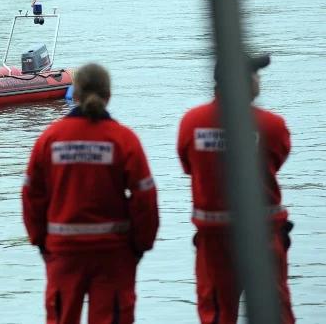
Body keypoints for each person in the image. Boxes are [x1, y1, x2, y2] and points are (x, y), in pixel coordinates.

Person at [22, 63, 159, 324]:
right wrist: (141, 245)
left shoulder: (50, 138)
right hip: (113, 253)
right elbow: (145, 199)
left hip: (64, 251)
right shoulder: (124, 139)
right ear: (108, 95)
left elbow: (32, 195)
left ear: (74, 94)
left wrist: (40, 240)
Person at [177, 54, 295, 324]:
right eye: (255, 74)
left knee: (216, 314)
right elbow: (277, 159)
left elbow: (188, 166)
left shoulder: (191, 123)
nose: (259, 79)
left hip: (213, 243)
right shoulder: (271, 125)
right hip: (262, 237)